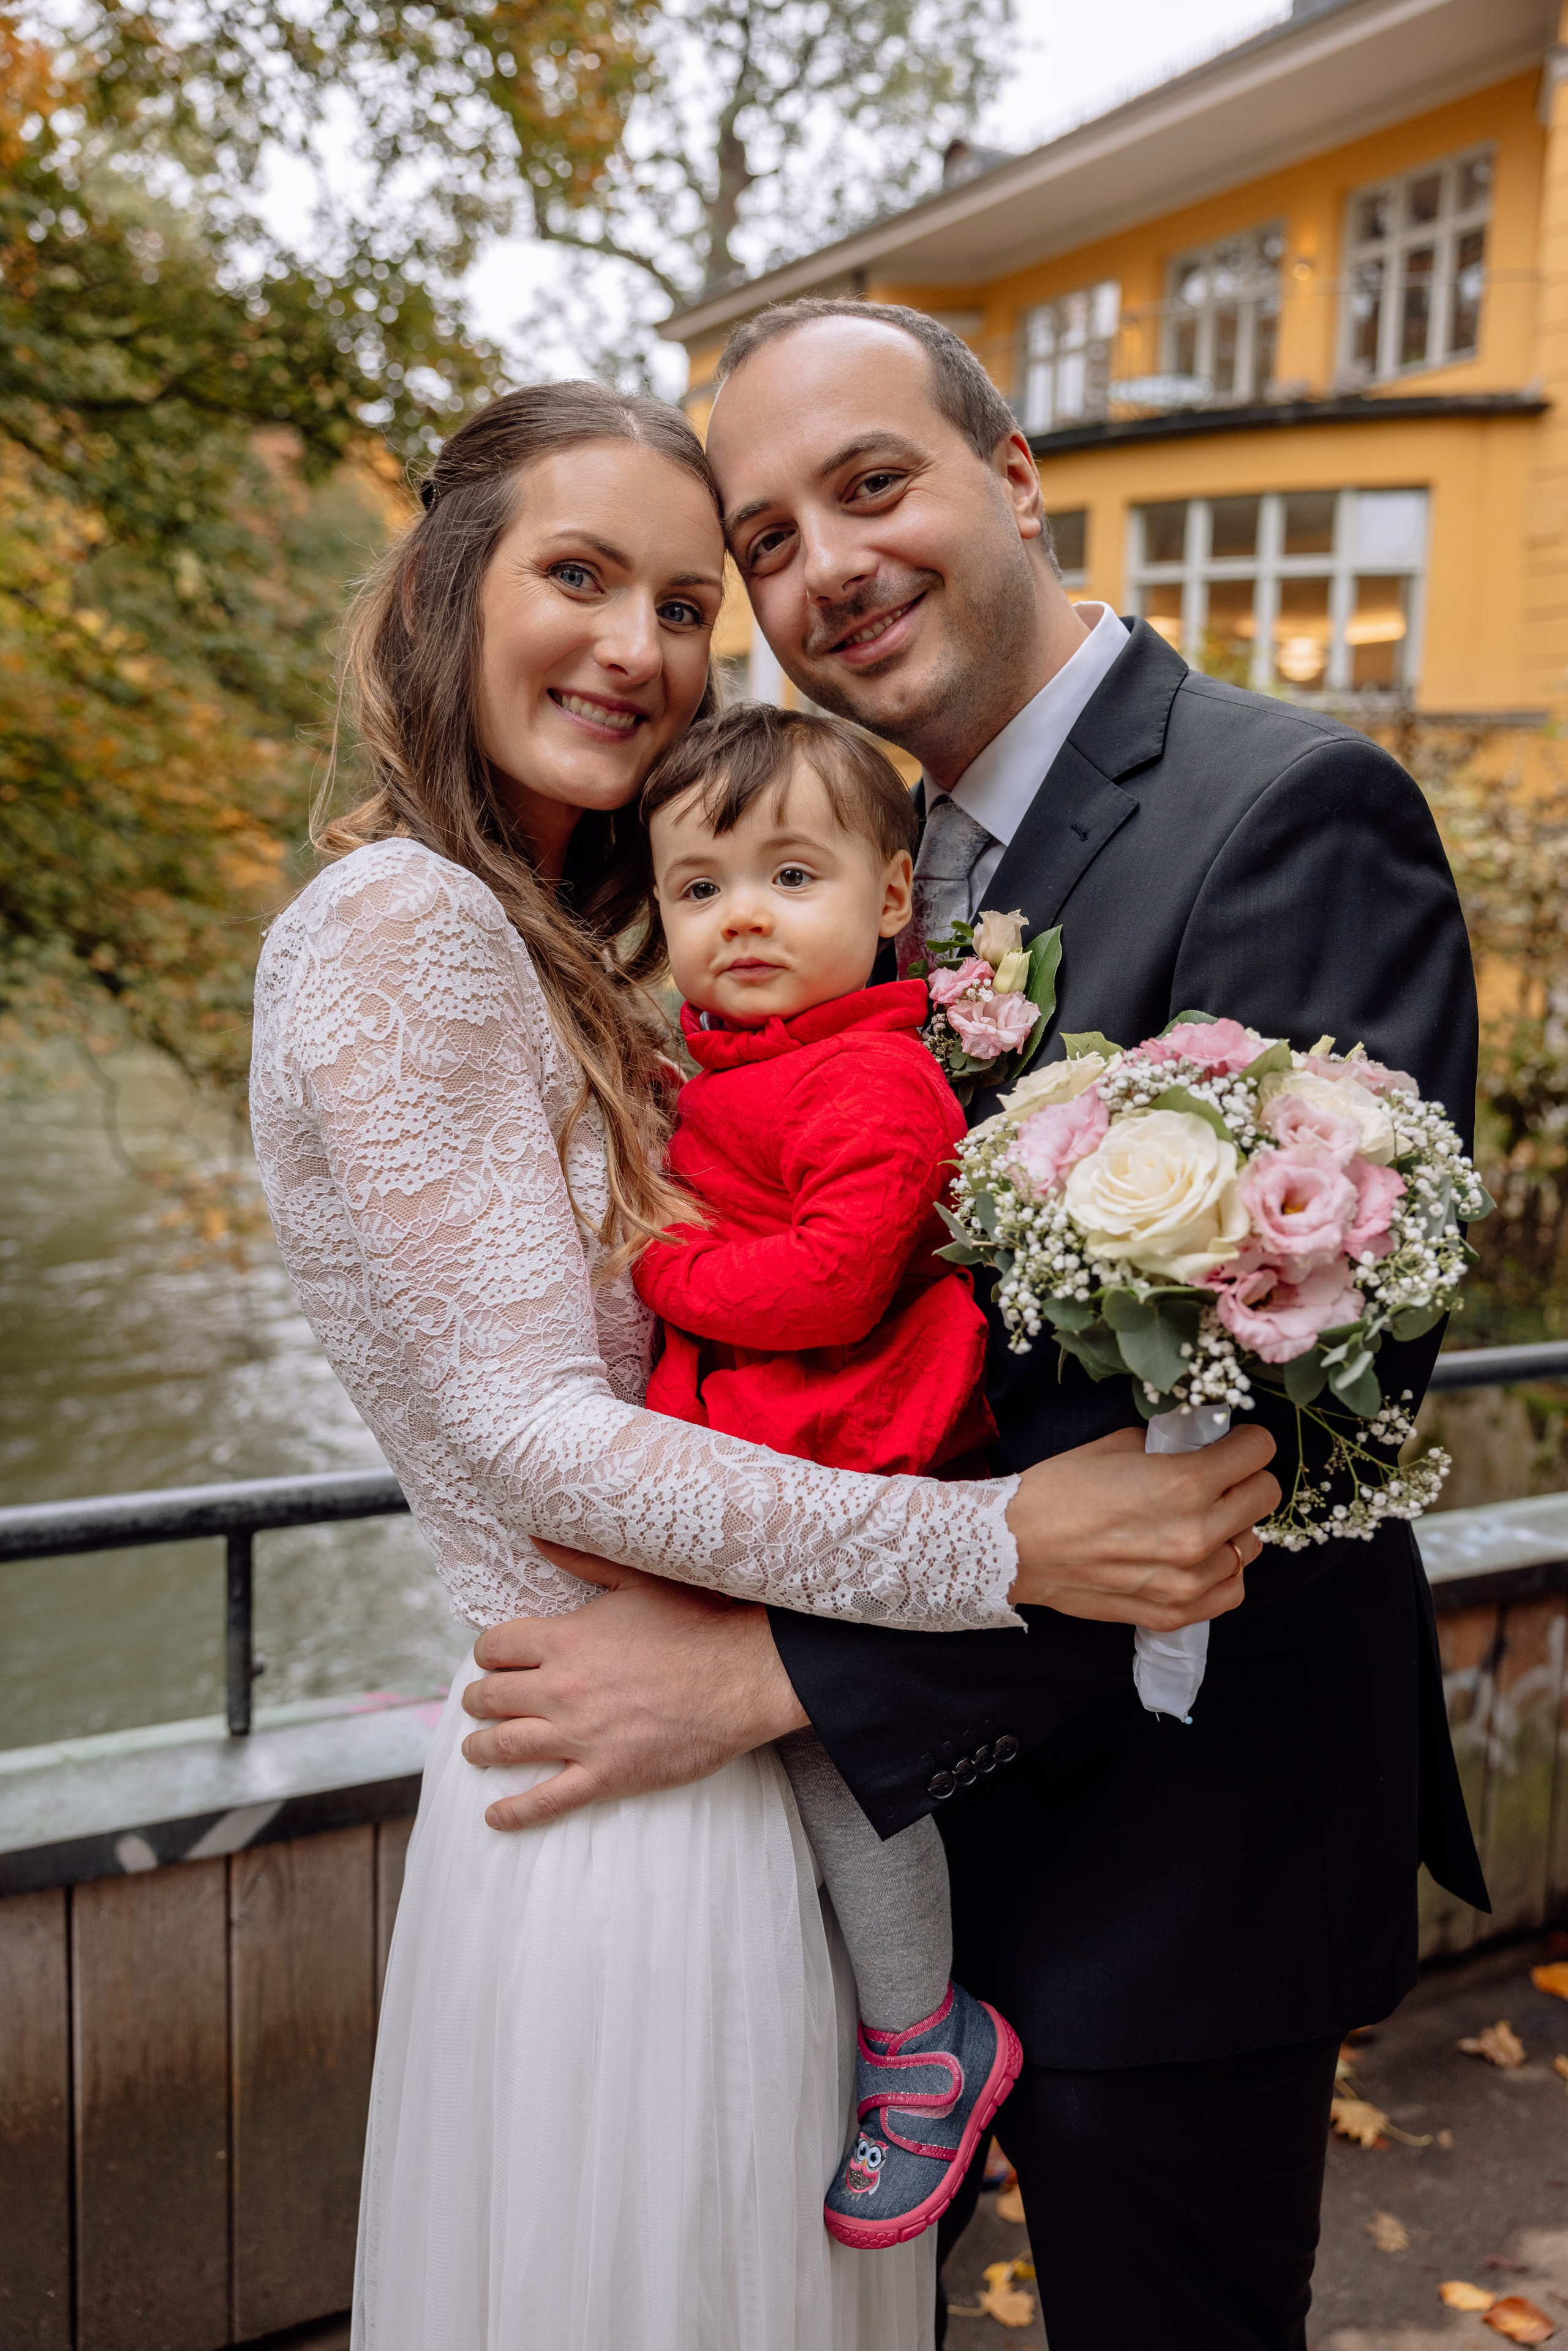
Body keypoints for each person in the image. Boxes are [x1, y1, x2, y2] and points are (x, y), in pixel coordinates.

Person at [458, 306, 1490, 2351]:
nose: (821, 568)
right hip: (870, 1880)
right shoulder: (845, 862)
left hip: (1176, 1862)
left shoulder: (1284, 805)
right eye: (764, 539)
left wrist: (770, 1671)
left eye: (871, 486)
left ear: (1014, 477)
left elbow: (1276, 1434)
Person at [248, 379, 1275, 2351]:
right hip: (632, 1794)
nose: (641, 647)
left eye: (687, 597)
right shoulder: (408, 925)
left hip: (690, 1754)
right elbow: (530, 1432)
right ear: (450, 590)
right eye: (579, 576)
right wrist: (1003, 1545)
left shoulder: (544, 941)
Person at [635, 701, 1022, 2247]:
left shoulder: (863, 1075)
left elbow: (831, 1284)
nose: (740, 915)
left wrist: (659, 1266)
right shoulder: (744, 1055)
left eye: (790, 876)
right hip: (775, 1441)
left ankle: (927, 2037)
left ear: (886, 898)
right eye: (698, 886)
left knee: (834, 1766)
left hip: (849, 1442)